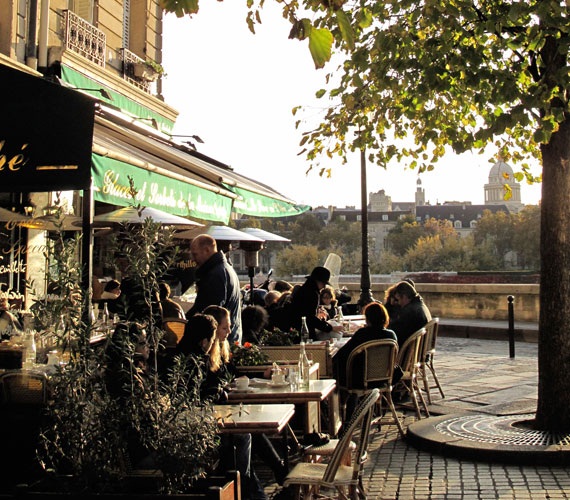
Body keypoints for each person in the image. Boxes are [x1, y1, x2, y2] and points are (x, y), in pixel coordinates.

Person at [177, 312, 266, 500]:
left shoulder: (179, 355)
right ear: (204, 341)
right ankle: (243, 489)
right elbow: (205, 394)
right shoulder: (198, 360)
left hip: (189, 422)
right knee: (243, 435)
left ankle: (250, 490)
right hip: (196, 427)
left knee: (245, 434)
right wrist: (221, 392)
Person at [204, 305, 287, 487]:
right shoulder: (206, 356)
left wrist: (259, 377)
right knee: (247, 432)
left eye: (230, 327)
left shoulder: (220, 350)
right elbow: (216, 384)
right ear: (213, 329)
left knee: (249, 431)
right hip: (215, 419)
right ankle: (264, 478)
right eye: (225, 328)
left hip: (224, 412)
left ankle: (267, 477)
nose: (229, 331)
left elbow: (232, 375)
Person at [333, 302, 397, 422]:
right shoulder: (391, 335)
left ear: (368, 319)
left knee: (337, 368)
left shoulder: (362, 334)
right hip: (384, 379)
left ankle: (340, 412)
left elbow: (343, 354)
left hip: (361, 380)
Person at [186, 234, 242, 344]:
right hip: (230, 337)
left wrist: (186, 321)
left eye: (195, 254)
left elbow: (211, 313)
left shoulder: (215, 275)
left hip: (220, 341)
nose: (193, 259)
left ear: (207, 250)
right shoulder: (225, 269)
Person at [288, 266, 343, 341]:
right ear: (318, 281)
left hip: (295, 328)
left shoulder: (302, 290)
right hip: (304, 331)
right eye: (323, 283)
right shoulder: (312, 294)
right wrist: (330, 328)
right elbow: (310, 318)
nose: (324, 286)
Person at [388, 280, 432, 347]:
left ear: (404, 296)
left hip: (409, 351)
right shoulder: (420, 306)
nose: (398, 303)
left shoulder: (410, 312)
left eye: (398, 299)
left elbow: (396, 333)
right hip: (419, 348)